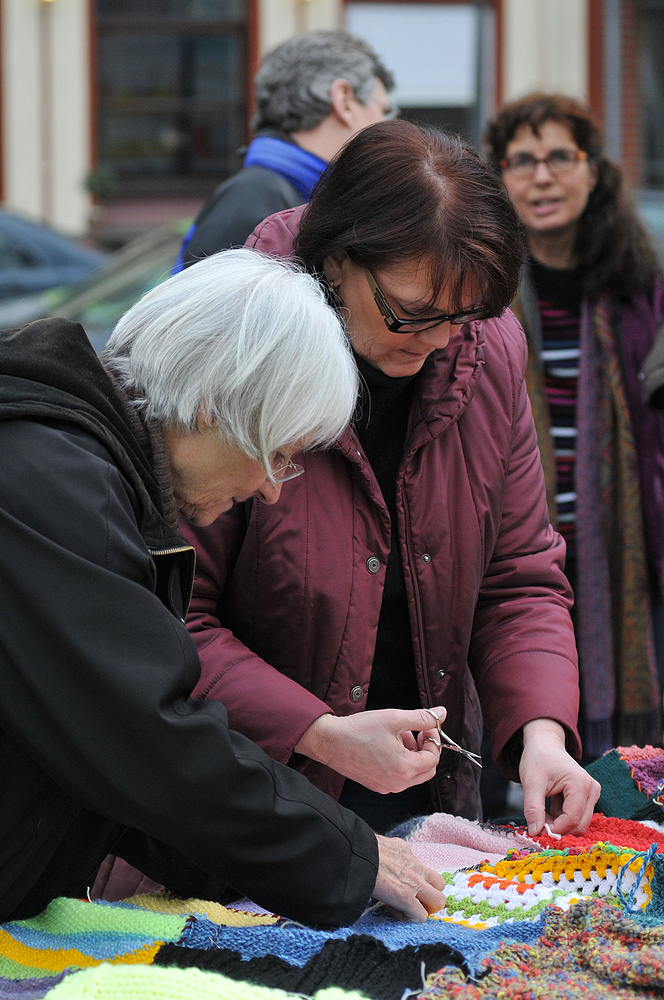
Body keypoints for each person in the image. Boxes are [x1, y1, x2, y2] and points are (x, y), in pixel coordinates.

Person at [0, 248, 447, 927]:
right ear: (211, 405)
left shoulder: (83, 471)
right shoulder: (50, 479)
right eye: (276, 454)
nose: (269, 489)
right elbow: (143, 735)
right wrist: (346, 854)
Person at [180, 120, 601, 839]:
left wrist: (542, 731)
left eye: (465, 315)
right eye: (413, 314)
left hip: (423, 793)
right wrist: (314, 728)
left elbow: (520, 576)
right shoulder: (232, 348)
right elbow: (172, 621)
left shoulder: (486, 348)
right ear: (336, 261)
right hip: (242, 804)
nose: (440, 340)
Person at [484, 93, 664, 760]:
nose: (542, 176)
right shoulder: (481, 290)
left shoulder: (640, 287)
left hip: (624, 550)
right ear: (500, 178)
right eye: (522, 160)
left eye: (560, 156)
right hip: (514, 552)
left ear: (592, 171)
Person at [174, 29, 395, 271]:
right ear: (344, 101)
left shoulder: (276, 194)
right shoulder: (259, 202)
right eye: (384, 111)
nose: (386, 126)